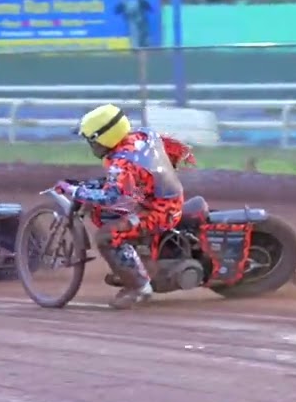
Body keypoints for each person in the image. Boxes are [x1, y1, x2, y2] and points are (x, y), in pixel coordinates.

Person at [56, 103, 196, 309]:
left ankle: (138, 287)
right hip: (153, 195)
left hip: (158, 210)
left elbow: (109, 198)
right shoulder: (142, 136)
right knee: (110, 211)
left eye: (90, 140)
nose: (90, 145)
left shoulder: (122, 163)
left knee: (107, 236)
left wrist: (75, 191)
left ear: (101, 138)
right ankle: (137, 260)